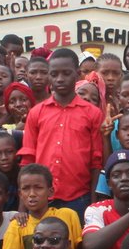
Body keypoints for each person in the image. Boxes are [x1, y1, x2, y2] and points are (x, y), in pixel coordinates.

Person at [19, 49, 104, 217]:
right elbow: (28, 159)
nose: (59, 79)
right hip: (41, 199)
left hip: (79, 198)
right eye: (54, 74)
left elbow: (96, 162)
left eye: (66, 73)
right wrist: (22, 208)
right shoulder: (36, 113)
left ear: (78, 74)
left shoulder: (93, 114)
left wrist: (93, 203)